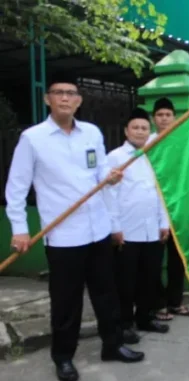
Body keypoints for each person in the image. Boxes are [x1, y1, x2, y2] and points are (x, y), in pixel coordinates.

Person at [5, 73, 144, 381]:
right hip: (63, 235)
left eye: (70, 93)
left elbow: (101, 172)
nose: (65, 98)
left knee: (106, 294)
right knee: (67, 301)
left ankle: (112, 344)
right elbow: (16, 188)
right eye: (58, 93)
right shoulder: (33, 138)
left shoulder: (91, 133)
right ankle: (63, 357)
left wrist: (110, 177)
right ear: (48, 99)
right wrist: (19, 228)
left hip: (97, 229)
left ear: (79, 100)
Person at [108, 107, 171, 344]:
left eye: (144, 128)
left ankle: (145, 317)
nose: (140, 131)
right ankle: (124, 324)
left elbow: (159, 192)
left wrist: (163, 222)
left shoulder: (152, 156)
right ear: (126, 131)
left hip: (151, 231)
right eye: (135, 127)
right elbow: (109, 195)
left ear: (149, 131)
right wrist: (115, 227)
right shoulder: (115, 157)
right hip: (127, 232)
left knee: (149, 279)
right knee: (125, 282)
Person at [149, 97, 189, 320]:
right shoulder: (147, 145)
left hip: (178, 209)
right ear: (153, 119)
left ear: (174, 118)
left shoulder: (181, 143)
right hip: (152, 210)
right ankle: (158, 305)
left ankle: (175, 302)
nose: (164, 118)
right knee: (155, 262)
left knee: (178, 261)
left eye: (168, 115)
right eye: (160, 115)